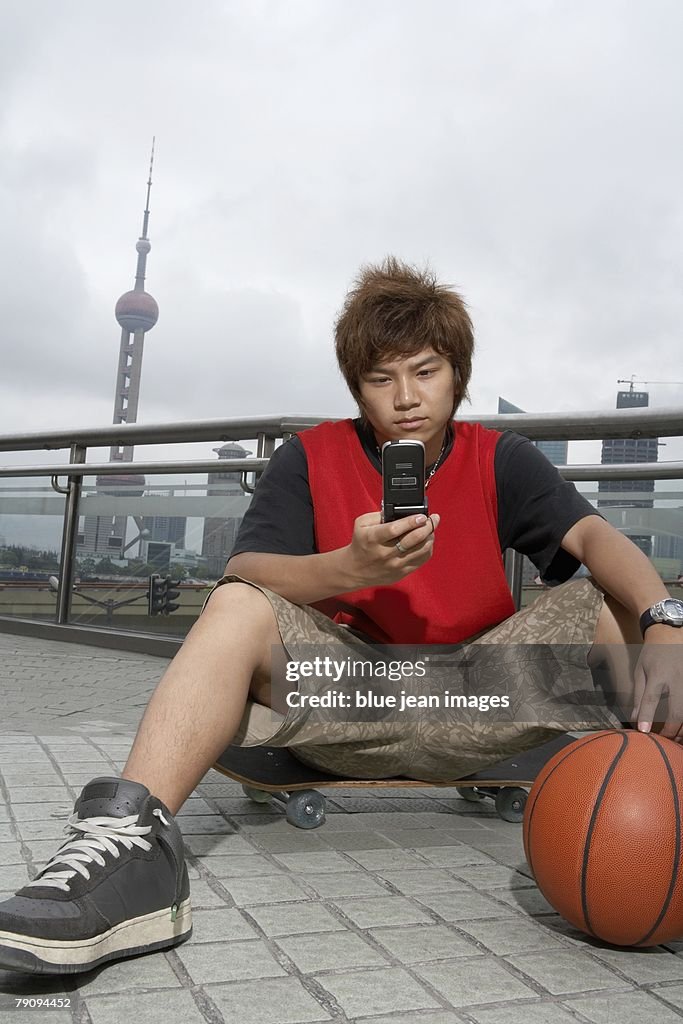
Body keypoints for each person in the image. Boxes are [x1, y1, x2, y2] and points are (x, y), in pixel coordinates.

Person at [0, 257, 681, 975]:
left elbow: (593, 537)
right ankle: (130, 854)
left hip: (480, 695)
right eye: (380, 379)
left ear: (458, 375)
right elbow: (246, 574)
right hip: (347, 697)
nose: (406, 399)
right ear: (356, 387)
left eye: (425, 372)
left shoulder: (501, 458)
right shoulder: (309, 455)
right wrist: (345, 570)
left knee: (609, 606)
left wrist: (665, 617)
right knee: (237, 604)